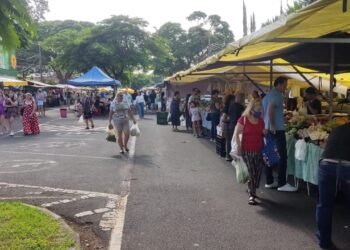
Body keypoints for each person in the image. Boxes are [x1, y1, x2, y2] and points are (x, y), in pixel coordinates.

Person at [316, 122, 350, 249]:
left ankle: (323, 241)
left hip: (326, 164)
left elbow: (325, 145)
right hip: (347, 167)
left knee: (324, 204)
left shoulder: (337, 129)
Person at [262, 76, 297, 192]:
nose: (286, 87)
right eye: (285, 85)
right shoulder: (277, 95)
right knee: (282, 156)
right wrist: (272, 124)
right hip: (276, 130)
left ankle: (269, 181)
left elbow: (264, 112)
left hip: (268, 129)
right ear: (280, 84)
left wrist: (266, 125)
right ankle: (282, 183)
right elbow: (271, 109)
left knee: (270, 154)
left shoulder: (267, 95)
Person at [233, 99, 265, 205]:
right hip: (247, 150)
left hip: (259, 150)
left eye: (261, 109)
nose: (260, 111)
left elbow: (262, 133)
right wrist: (238, 146)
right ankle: (252, 194)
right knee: (252, 173)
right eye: (258, 109)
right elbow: (237, 134)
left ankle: (251, 188)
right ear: (251, 109)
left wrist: (265, 132)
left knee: (258, 173)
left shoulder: (261, 121)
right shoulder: (244, 119)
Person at [223, 93, 245, 161]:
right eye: (243, 99)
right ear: (240, 99)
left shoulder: (231, 106)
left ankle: (228, 156)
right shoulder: (241, 107)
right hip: (237, 126)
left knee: (229, 141)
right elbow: (243, 117)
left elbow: (227, 115)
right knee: (236, 142)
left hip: (230, 125)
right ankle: (234, 158)